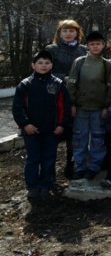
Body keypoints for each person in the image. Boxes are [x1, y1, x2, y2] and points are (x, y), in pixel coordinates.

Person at [13, 50, 69, 199]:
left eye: (47, 63)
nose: (43, 66)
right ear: (33, 65)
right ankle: (32, 186)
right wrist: (25, 124)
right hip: (31, 130)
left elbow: (64, 107)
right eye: (40, 63)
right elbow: (18, 107)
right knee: (32, 158)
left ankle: (46, 184)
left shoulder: (57, 84)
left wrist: (61, 125)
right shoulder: (25, 84)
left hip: (51, 130)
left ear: (52, 65)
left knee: (49, 157)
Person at [67, 30, 111, 180]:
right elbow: (72, 84)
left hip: (98, 110)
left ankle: (94, 166)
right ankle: (80, 166)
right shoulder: (79, 62)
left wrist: (107, 106)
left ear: (103, 45)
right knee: (80, 138)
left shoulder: (107, 64)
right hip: (81, 108)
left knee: (97, 138)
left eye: (98, 44)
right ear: (87, 46)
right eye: (92, 44)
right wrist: (72, 103)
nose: (95, 47)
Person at [45, 19, 87, 178]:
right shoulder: (52, 49)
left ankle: (70, 165)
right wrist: (64, 78)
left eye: (71, 30)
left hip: (78, 96)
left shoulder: (84, 50)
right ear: (59, 33)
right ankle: (49, 169)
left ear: (77, 33)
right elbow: (46, 69)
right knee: (55, 132)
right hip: (57, 94)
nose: (68, 34)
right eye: (65, 31)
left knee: (74, 133)